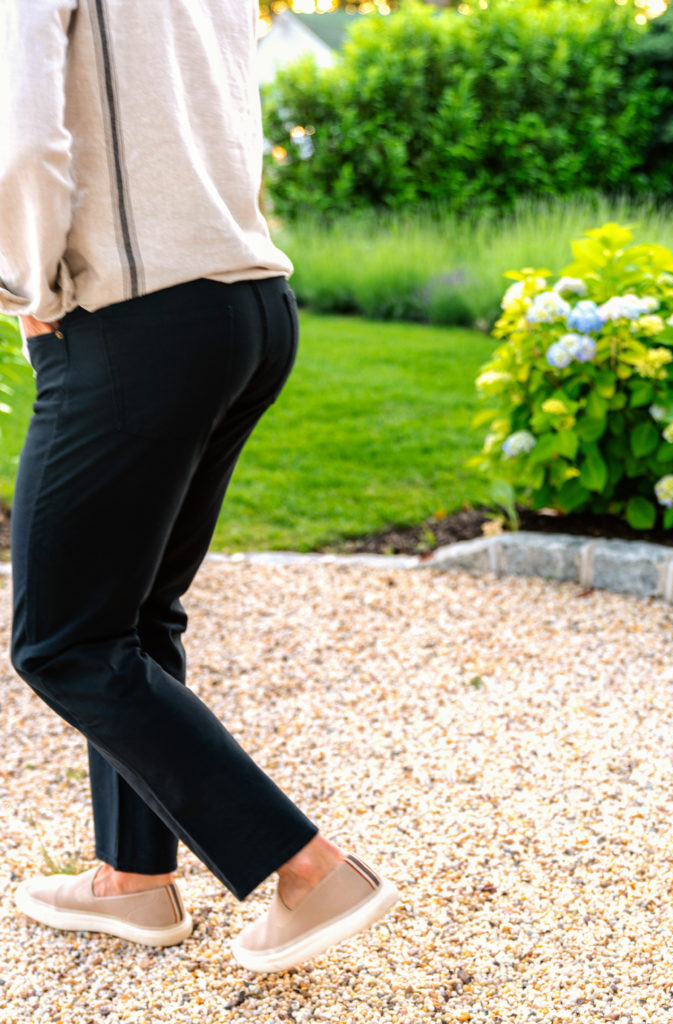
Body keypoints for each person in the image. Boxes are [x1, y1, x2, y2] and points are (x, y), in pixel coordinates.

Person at [0, 0, 398, 971]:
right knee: (133, 615)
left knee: (61, 638)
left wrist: (23, 288)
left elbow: (20, 139)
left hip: (137, 317)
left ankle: (309, 868)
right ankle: (134, 882)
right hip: (251, 306)